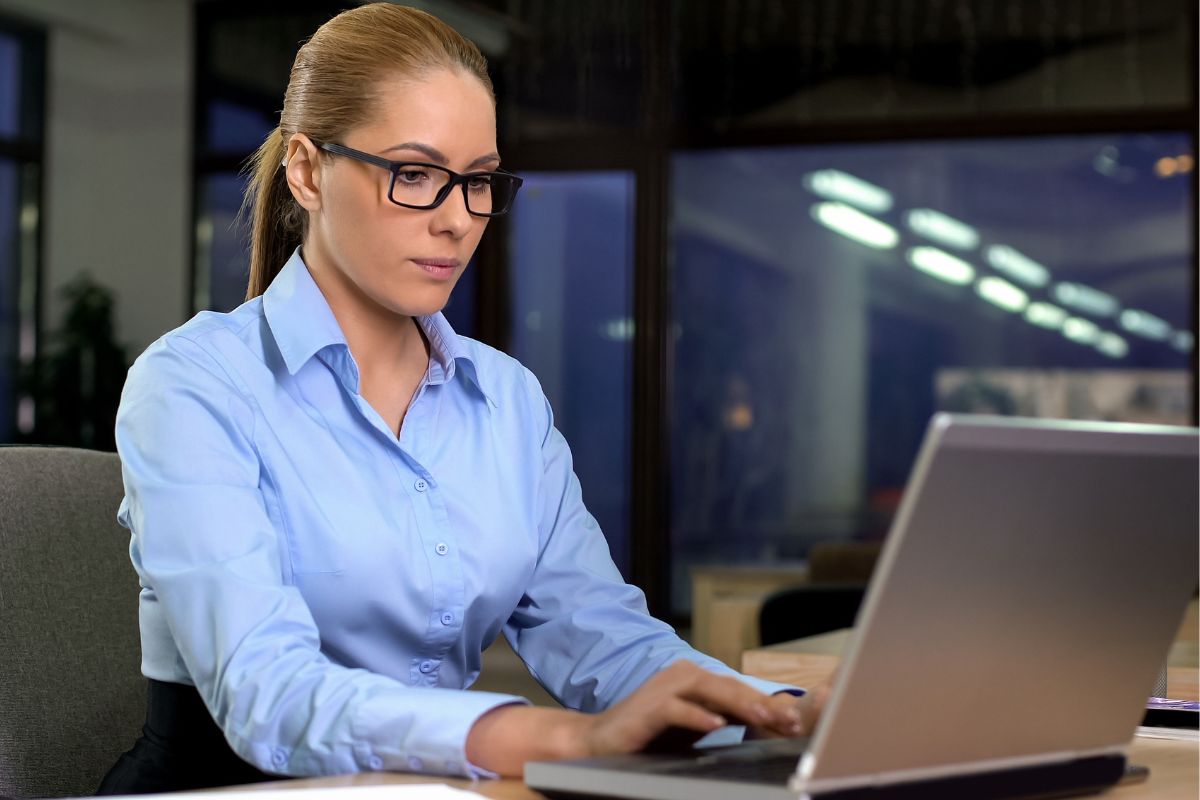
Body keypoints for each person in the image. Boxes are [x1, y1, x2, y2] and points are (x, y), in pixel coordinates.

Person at [98, 4, 823, 794]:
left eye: (478, 182)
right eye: (414, 175)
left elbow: (602, 637)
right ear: (307, 171)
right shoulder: (194, 384)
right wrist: (557, 736)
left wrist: (780, 714)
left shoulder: (507, 400)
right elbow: (266, 694)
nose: (457, 221)